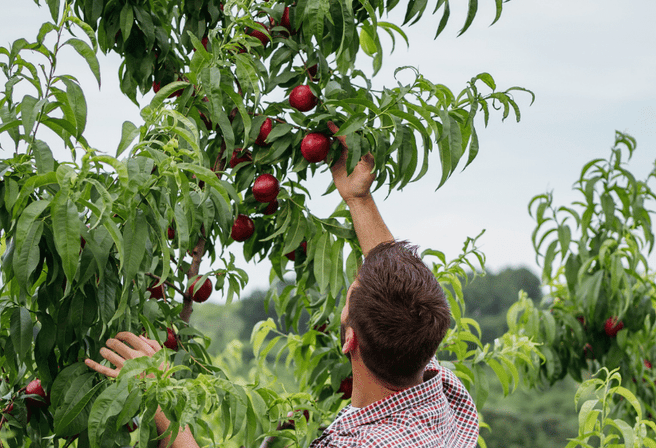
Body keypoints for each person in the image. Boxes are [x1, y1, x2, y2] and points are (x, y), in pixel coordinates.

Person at [85, 123, 480, 447]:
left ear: (349, 340)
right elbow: (395, 281)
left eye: (349, 295)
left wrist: (160, 396)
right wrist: (358, 200)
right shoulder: (437, 390)